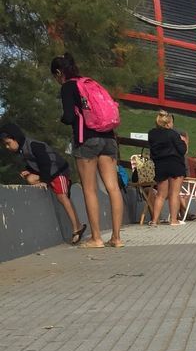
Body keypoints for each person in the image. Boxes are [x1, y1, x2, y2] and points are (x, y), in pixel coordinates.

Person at [50, 54, 124, 248]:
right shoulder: (89, 83)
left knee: (89, 189)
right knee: (113, 187)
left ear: (59, 73)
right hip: (108, 138)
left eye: (55, 76)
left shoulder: (68, 86)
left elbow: (68, 116)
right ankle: (116, 238)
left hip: (87, 140)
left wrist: (64, 119)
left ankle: (96, 238)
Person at [0, 122, 86, 244]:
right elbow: (36, 164)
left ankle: (76, 228)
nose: (7, 147)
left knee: (62, 197)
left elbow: (46, 163)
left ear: (16, 138)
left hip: (58, 172)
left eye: (8, 144)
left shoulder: (34, 145)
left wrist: (45, 181)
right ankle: (78, 226)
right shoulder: (23, 150)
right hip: (48, 173)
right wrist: (29, 170)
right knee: (30, 179)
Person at [147, 111, 188, 227]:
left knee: (160, 194)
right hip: (175, 164)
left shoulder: (152, 134)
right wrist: (183, 142)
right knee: (174, 194)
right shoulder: (173, 134)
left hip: (160, 165)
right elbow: (182, 150)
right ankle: (173, 220)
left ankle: (154, 220)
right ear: (168, 123)